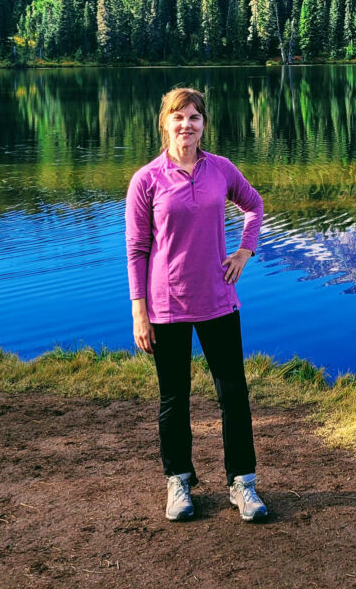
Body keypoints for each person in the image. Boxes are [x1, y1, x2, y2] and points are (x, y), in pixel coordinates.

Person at [125, 86, 267, 523]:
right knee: (174, 399)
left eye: (194, 118)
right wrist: (139, 313)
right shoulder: (146, 179)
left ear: (204, 125)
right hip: (166, 307)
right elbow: (136, 249)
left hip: (218, 301)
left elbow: (254, 205)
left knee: (234, 395)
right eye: (178, 117)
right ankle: (179, 482)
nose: (186, 125)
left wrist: (244, 251)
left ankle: (242, 484)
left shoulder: (220, 170)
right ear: (164, 123)